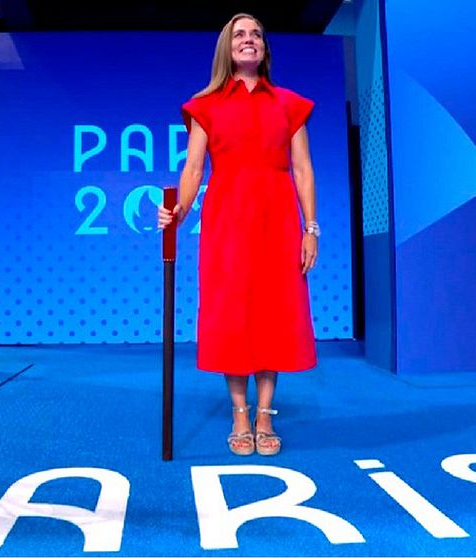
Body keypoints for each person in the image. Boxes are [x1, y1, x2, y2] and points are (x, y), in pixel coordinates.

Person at [158, 13, 319, 457]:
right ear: (227, 48)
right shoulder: (205, 106)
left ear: (264, 48)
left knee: (273, 314)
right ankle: (240, 414)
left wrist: (310, 229)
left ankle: (265, 415)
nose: (249, 40)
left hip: (278, 220)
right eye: (240, 35)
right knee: (232, 315)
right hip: (227, 221)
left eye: (256, 35)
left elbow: (303, 170)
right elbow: (194, 169)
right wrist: (179, 211)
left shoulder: (289, 104)